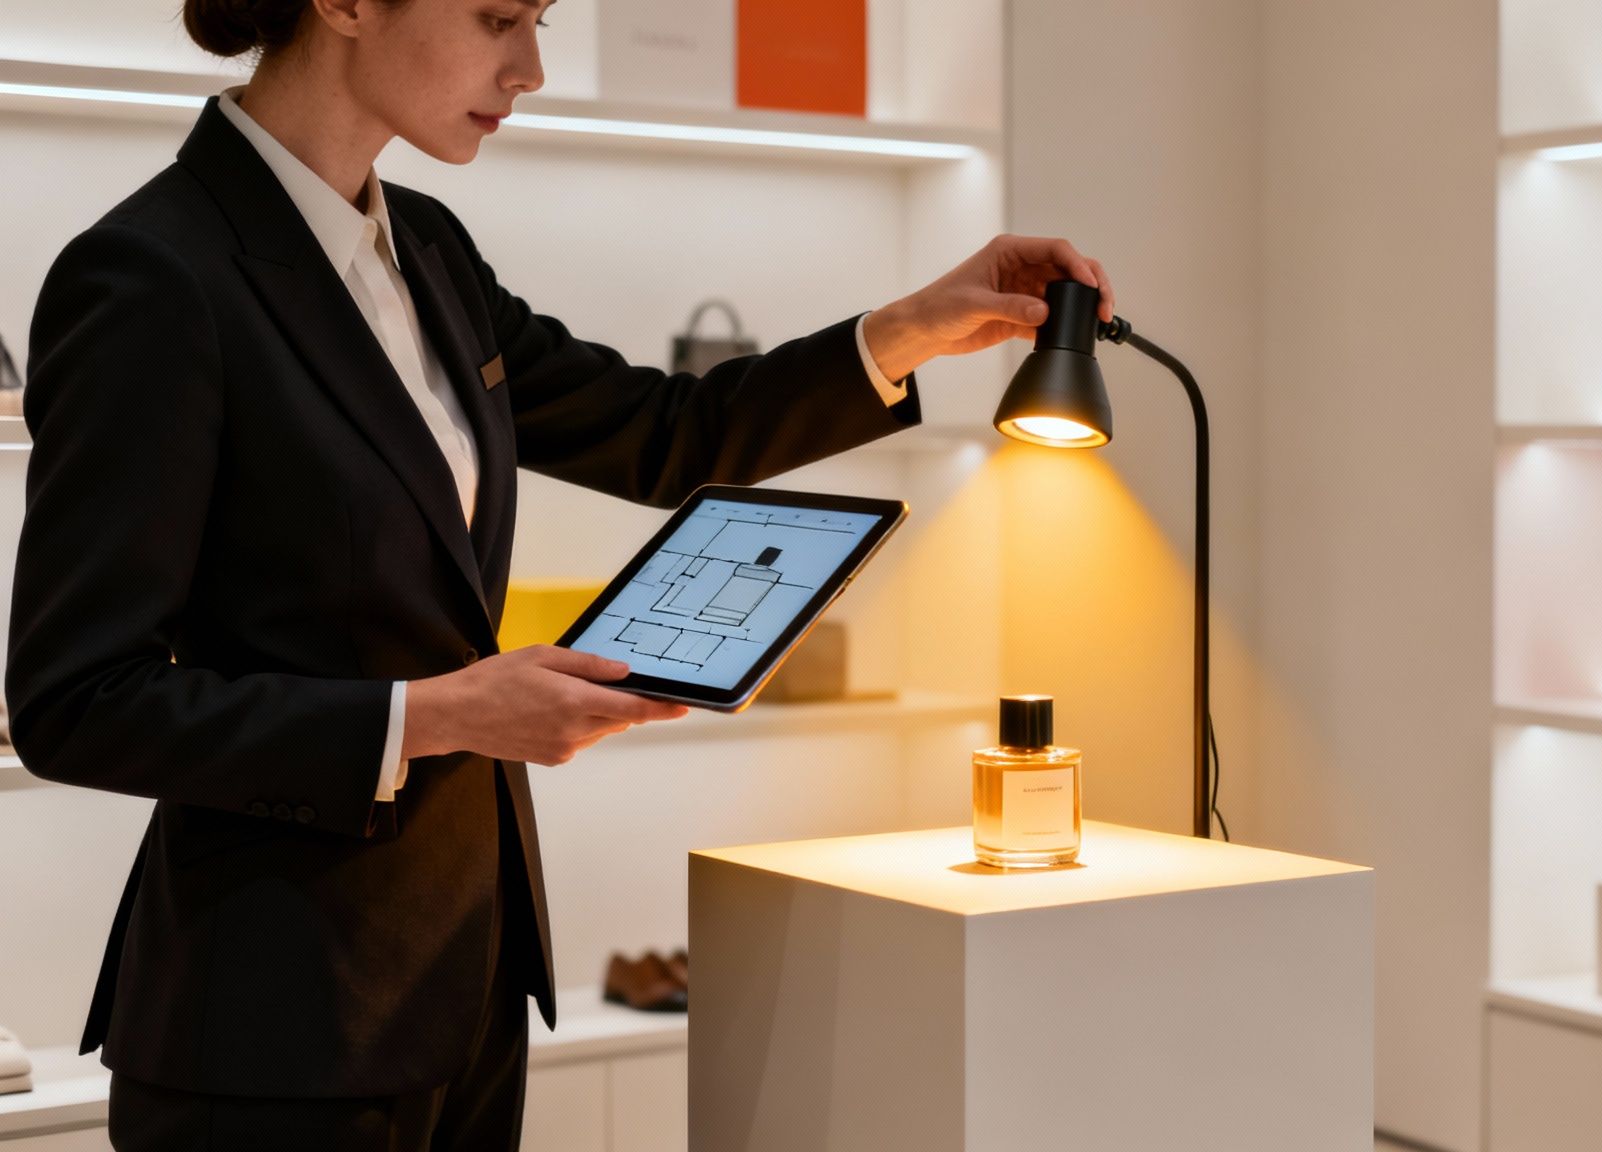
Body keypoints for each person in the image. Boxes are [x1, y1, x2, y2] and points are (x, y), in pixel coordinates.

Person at [5, 0, 1115, 1147]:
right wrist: (439, 715)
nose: (529, 66)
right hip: (270, 1028)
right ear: (341, 4)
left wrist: (915, 326)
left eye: (536, 19)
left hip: (465, 983)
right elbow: (77, 704)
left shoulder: (426, 249)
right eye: (497, 16)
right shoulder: (149, 275)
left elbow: (663, 431)